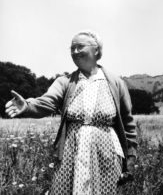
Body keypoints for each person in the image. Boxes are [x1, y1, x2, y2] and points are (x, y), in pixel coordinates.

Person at [5, 31, 137, 195]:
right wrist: (27, 106)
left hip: (107, 154)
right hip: (71, 152)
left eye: (79, 47)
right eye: (72, 48)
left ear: (96, 50)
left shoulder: (116, 83)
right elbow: (47, 102)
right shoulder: (65, 82)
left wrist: (130, 157)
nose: (74, 52)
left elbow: (128, 123)